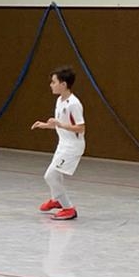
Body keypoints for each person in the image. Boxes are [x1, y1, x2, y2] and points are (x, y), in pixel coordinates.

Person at [33, 67, 84, 221]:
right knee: (56, 174)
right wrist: (46, 125)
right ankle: (57, 199)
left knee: (50, 176)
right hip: (63, 144)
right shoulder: (59, 101)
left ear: (63, 84)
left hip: (72, 146)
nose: (51, 85)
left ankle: (68, 208)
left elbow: (81, 128)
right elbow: (60, 123)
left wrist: (59, 124)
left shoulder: (73, 104)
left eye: (54, 82)